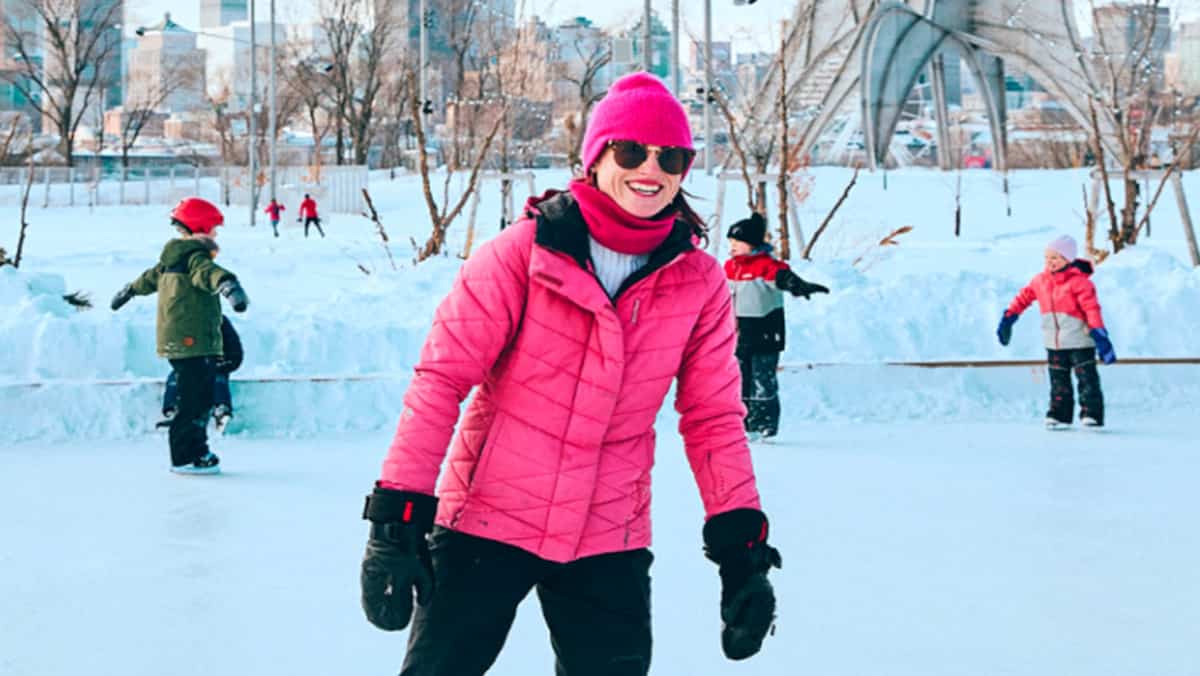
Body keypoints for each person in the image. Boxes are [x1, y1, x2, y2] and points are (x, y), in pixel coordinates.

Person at [360, 72, 782, 675]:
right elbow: (441, 380)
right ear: (596, 156)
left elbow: (713, 418)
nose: (651, 169)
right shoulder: (522, 254)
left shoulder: (699, 282)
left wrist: (743, 550)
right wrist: (396, 519)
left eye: (671, 157)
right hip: (486, 520)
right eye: (632, 151)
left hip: (609, 533)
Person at [111, 197, 250, 474]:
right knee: (195, 403)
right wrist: (229, 285)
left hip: (180, 339)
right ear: (201, 227)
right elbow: (208, 273)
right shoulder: (195, 257)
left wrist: (129, 290)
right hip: (193, 340)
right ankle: (187, 456)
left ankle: (193, 452)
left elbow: (148, 279)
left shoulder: (170, 260)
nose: (216, 234)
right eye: (214, 229)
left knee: (195, 398)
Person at [725, 212, 829, 440]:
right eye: (730, 242)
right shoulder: (730, 268)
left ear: (752, 244)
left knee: (762, 380)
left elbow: (782, 277)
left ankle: (765, 425)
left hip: (765, 332)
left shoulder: (766, 265)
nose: (732, 246)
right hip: (739, 335)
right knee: (741, 380)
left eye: (737, 242)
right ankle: (745, 425)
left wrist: (797, 286)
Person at [996, 234, 1115, 429]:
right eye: (1047, 257)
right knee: (1058, 382)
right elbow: (1023, 298)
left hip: (1080, 341)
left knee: (1087, 380)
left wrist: (1100, 335)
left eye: (1055, 257)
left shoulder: (1080, 283)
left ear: (1068, 259)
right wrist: (1009, 318)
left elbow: (1092, 309)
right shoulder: (1040, 281)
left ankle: (1091, 414)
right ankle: (1059, 415)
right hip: (1054, 343)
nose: (1050, 262)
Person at [161, 315, 243, 433]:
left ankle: (221, 410)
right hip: (191, 363)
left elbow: (234, 349)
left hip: (217, 364)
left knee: (217, 379)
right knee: (175, 379)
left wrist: (227, 363)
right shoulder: (184, 321)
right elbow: (174, 348)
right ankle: (172, 410)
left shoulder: (220, 322)